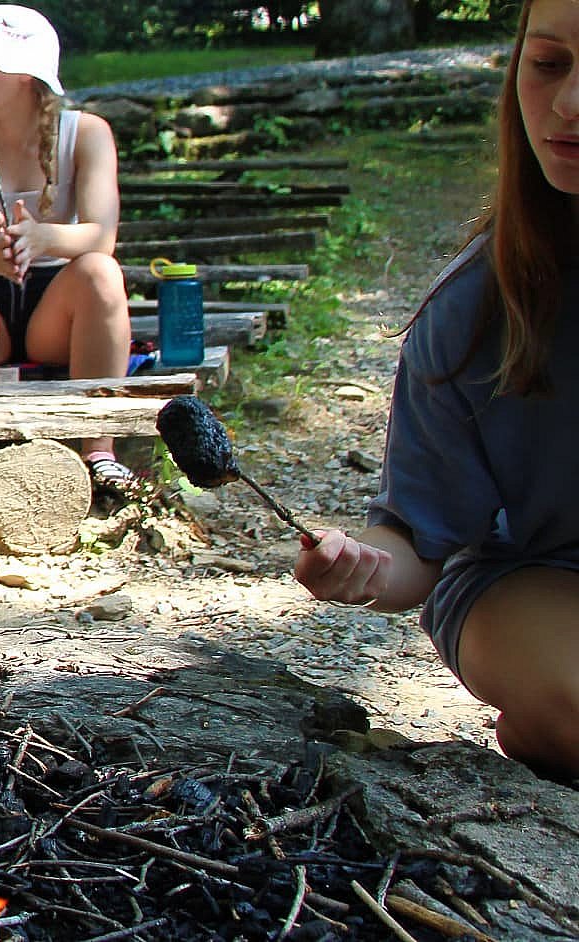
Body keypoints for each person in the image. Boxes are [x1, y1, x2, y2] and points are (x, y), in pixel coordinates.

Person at [294, 0, 579, 783]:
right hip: (538, 582)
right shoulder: (476, 307)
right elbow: (421, 545)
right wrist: (360, 567)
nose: (570, 104)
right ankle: (552, 721)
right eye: (548, 65)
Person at [0, 4, 134, 494]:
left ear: (23, 75)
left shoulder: (88, 134)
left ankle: (98, 448)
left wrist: (43, 237)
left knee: (101, 272)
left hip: (57, 308)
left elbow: (102, 235)